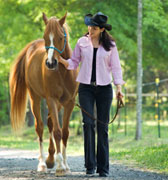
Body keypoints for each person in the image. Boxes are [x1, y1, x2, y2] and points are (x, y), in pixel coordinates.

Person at [58, 12, 125, 177]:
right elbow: (74, 62)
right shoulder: (81, 42)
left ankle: (103, 168)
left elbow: (116, 67)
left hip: (104, 89)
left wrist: (119, 88)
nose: (90, 30)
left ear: (102, 29)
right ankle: (90, 166)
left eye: (94, 28)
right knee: (88, 124)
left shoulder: (111, 45)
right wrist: (62, 61)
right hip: (86, 88)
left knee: (103, 127)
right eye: (89, 26)